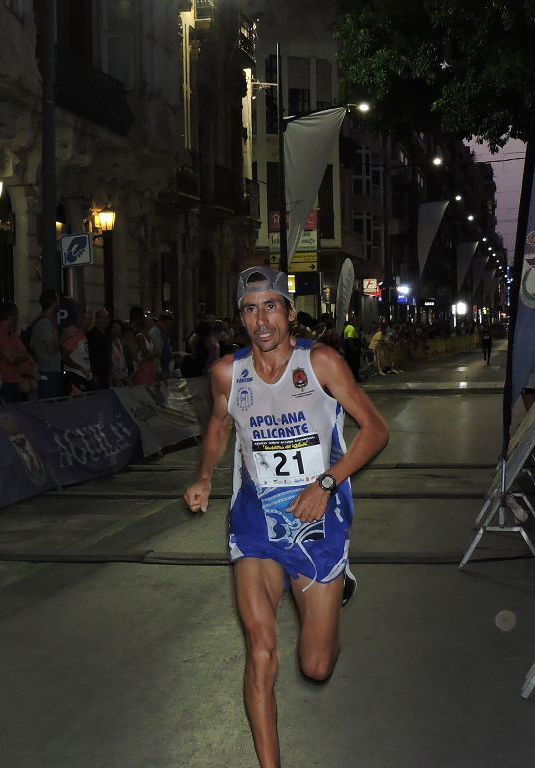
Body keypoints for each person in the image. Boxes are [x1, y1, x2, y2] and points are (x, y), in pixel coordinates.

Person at [183, 266, 389, 768]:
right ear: (241, 319)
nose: (262, 319)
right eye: (251, 309)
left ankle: (336, 587)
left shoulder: (321, 362)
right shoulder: (227, 374)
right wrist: (206, 477)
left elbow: (376, 430)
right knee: (261, 650)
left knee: (316, 666)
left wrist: (327, 483)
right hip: (256, 523)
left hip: (319, 519)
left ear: (289, 313)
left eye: (270, 305)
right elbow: (218, 426)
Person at [0, 302, 38, 403]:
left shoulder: (10, 334)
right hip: (7, 381)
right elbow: (11, 358)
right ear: (11, 315)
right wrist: (24, 356)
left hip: (16, 379)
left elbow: (22, 352)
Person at [30, 289, 63, 399]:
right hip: (47, 370)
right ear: (54, 302)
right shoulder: (44, 323)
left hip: (50, 370)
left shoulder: (47, 322)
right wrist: (66, 336)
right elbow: (50, 348)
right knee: (48, 401)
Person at [59, 303, 95, 393]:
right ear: (79, 319)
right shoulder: (76, 335)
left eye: (90, 319)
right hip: (76, 376)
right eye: (85, 318)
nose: (88, 322)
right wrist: (80, 368)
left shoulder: (83, 336)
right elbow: (64, 356)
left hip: (84, 376)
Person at [85, 308, 113, 389]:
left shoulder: (108, 335)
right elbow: (88, 357)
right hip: (95, 374)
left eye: (107, 318)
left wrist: (110, 375)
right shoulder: (90, 336)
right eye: (102, 317)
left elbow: (109, 356)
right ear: (97, 319)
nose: (105, 320)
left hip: (106, 374)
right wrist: (93, 375)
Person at [342, 313, 362, 381]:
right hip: (352, 350)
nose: (357, 322)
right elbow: (350, 339)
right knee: (354, 364)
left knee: (351, 363)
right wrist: (353, 347)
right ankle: (354, 377)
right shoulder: (351, 328)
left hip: (350, 349)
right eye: (356, 320)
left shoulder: (348, 327)